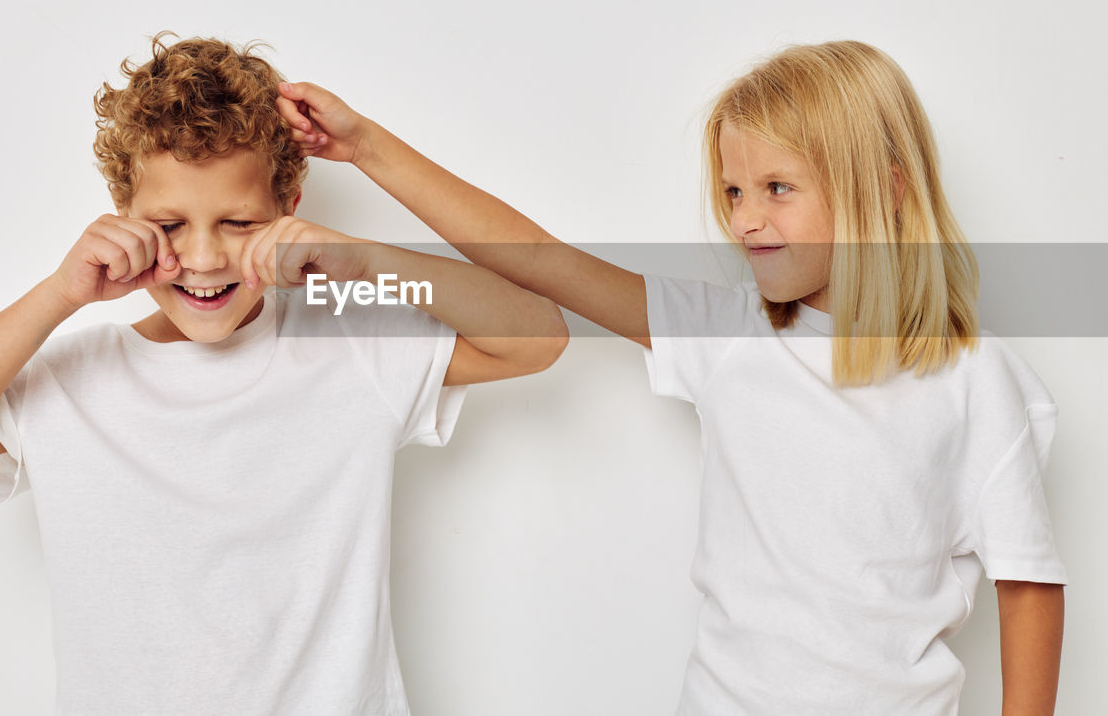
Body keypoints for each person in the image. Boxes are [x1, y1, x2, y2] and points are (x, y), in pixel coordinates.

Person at [274, 40, 1066, 715]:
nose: (745, 219)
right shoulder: (730, 336)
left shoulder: (976, 377)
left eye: (777, 189)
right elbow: (542, 262)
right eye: (732, 191)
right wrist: (367, 146)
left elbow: (1027, 582)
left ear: (884, 190)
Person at [0, 33, 568, 715]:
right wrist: (60, 294)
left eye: (238, 221)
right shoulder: (73, 380)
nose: (204, 257)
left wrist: (361, 251)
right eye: (170, 224)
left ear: (288, 207)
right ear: (122, 216)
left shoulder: (351, 347)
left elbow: (537, 335)